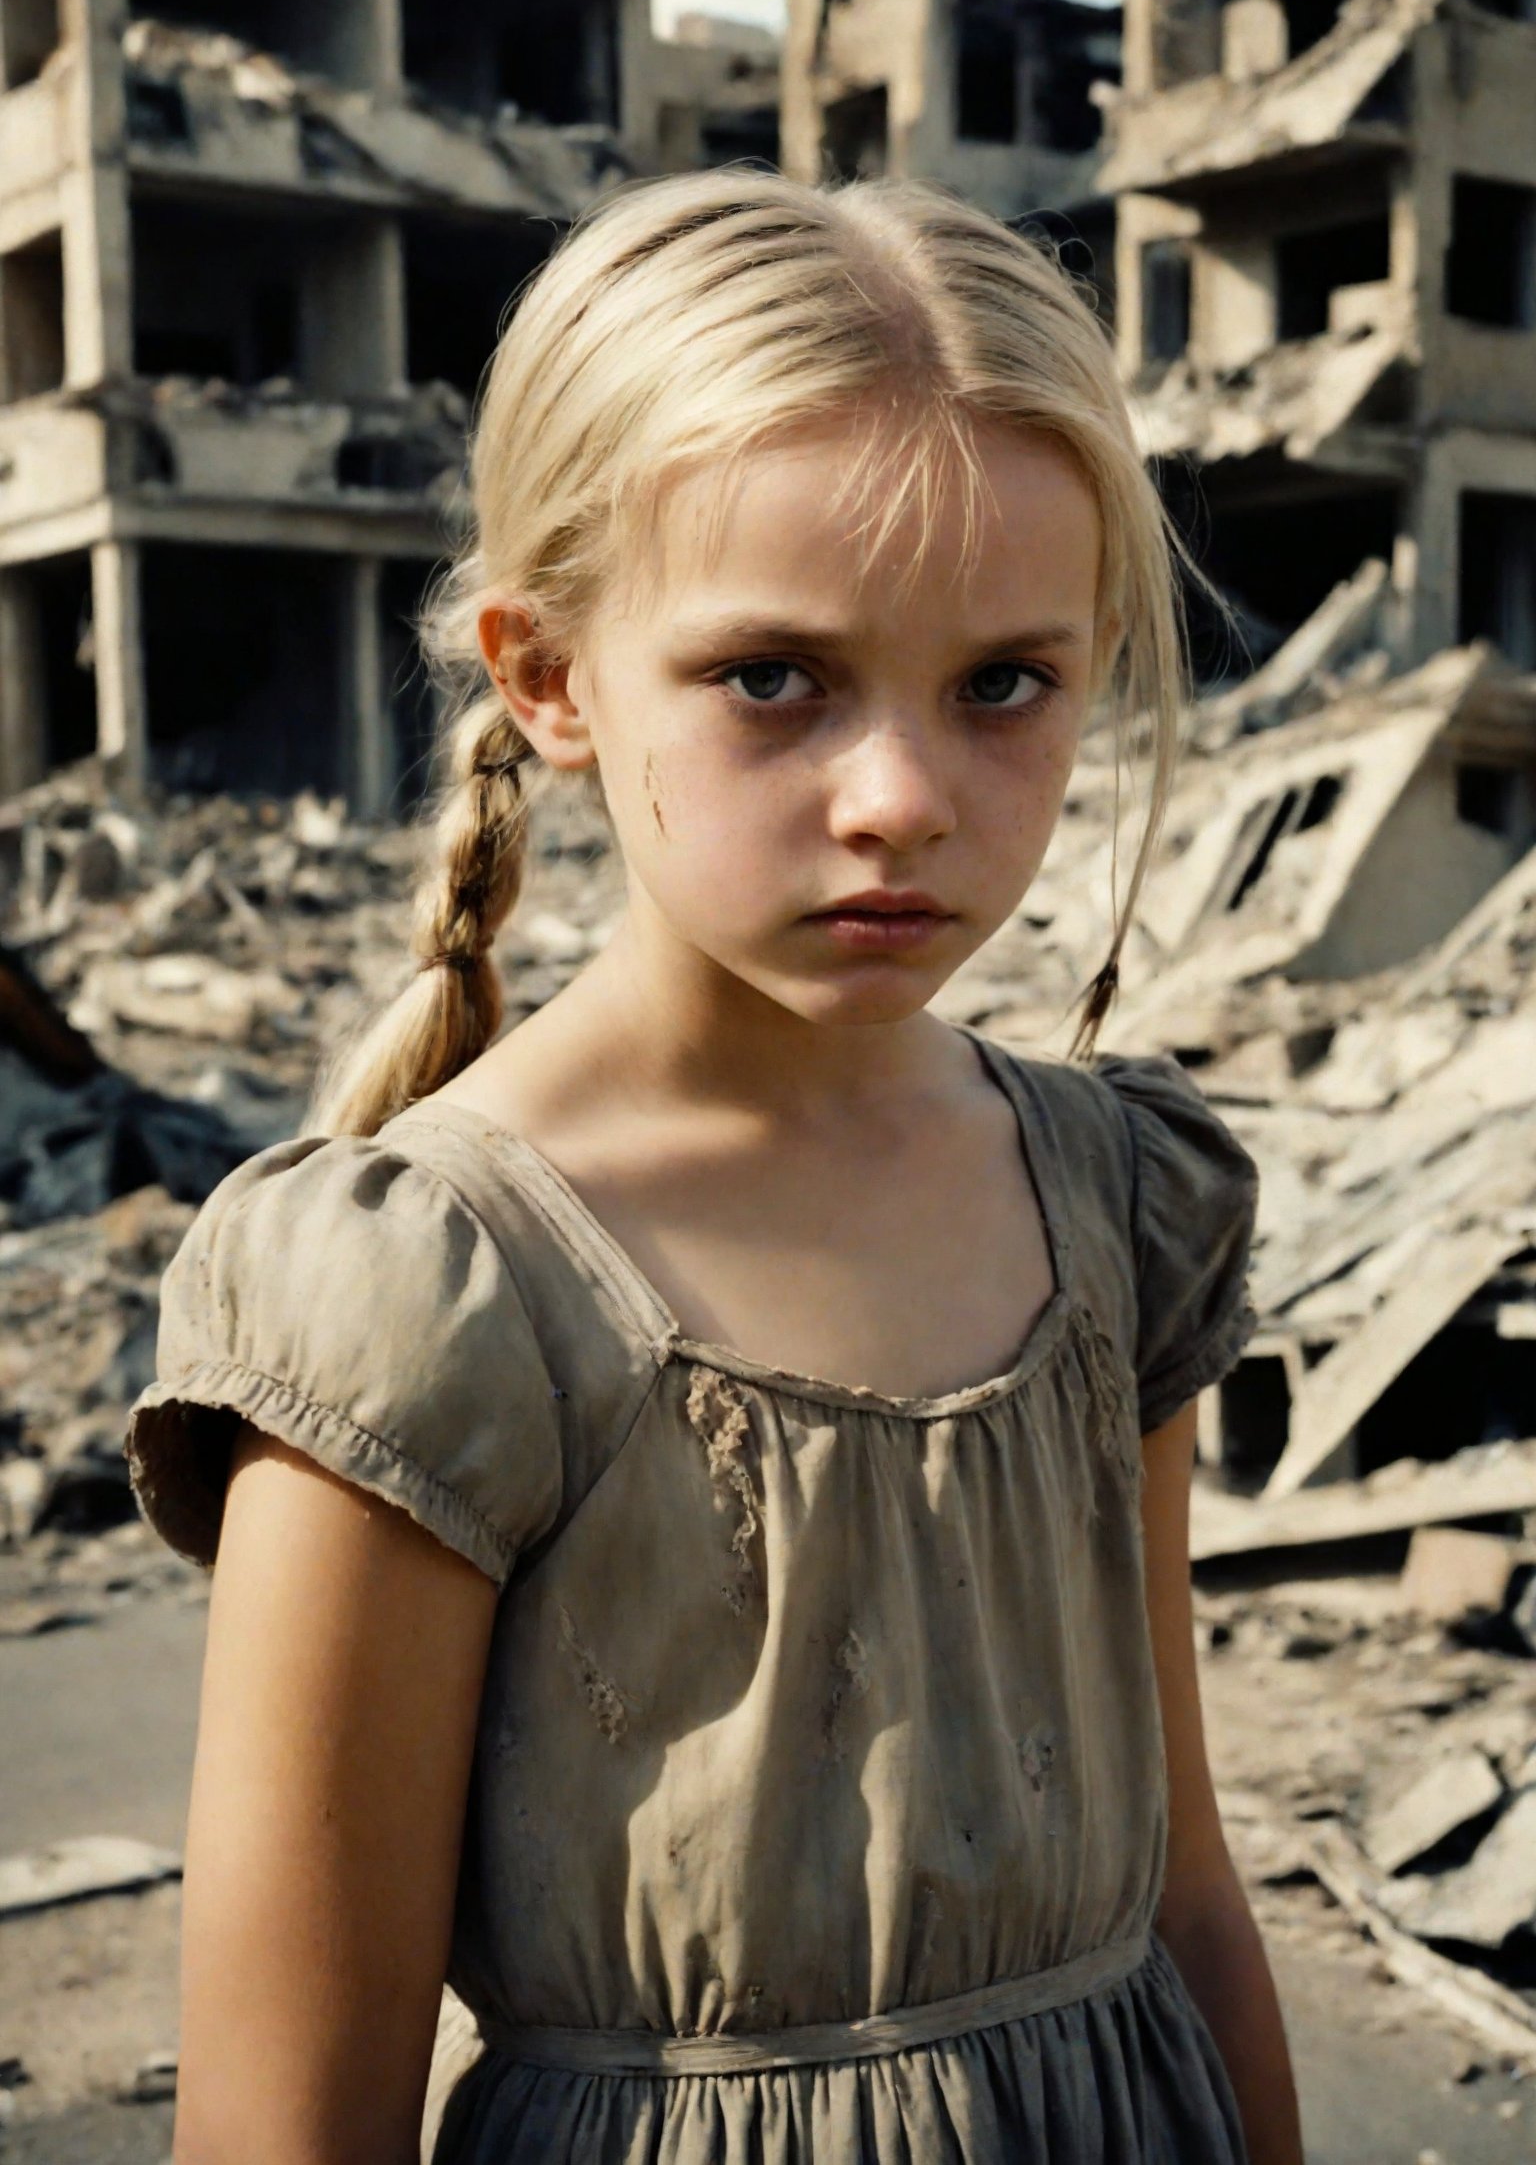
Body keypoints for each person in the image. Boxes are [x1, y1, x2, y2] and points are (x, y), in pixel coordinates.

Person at [126, 170, 1303, 2165]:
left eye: (1004, 680)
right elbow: (284, 2121)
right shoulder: (431, 1291)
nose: (904, 801)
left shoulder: (1120, 1205)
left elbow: (1183, 1891)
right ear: (549, 678)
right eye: (776, 676)